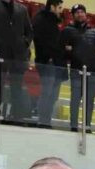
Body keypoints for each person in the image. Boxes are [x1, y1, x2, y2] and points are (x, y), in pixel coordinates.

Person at [0, 0, 33, 122]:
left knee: (17, 87)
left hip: (18, 56)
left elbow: (29, 31)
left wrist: (25, 43)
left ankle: (17, 116)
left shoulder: (22, 9)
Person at [63, 4, 95, 133]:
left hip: (91, 73)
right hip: (76, 71)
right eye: (77, 12)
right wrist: (68, 51)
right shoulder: (67, 30)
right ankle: (73, 126)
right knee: (75, 99)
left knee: (89, 101)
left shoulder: (94, 31)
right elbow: (62, 49)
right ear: (73, 15)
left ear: (85, 14)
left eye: (82, 12)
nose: (80, 14)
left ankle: (87, 126)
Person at [32, 0, 69, 128]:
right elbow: (40, 41)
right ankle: (43, 120)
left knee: (53, 96)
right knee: (47, 93)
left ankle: (46, 120)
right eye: (59, 7)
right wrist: (48, 57)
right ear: (52, 7)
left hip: (57, 63)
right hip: (48, 62)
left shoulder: (55, 22)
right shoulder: (41, 19)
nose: (61, 10)